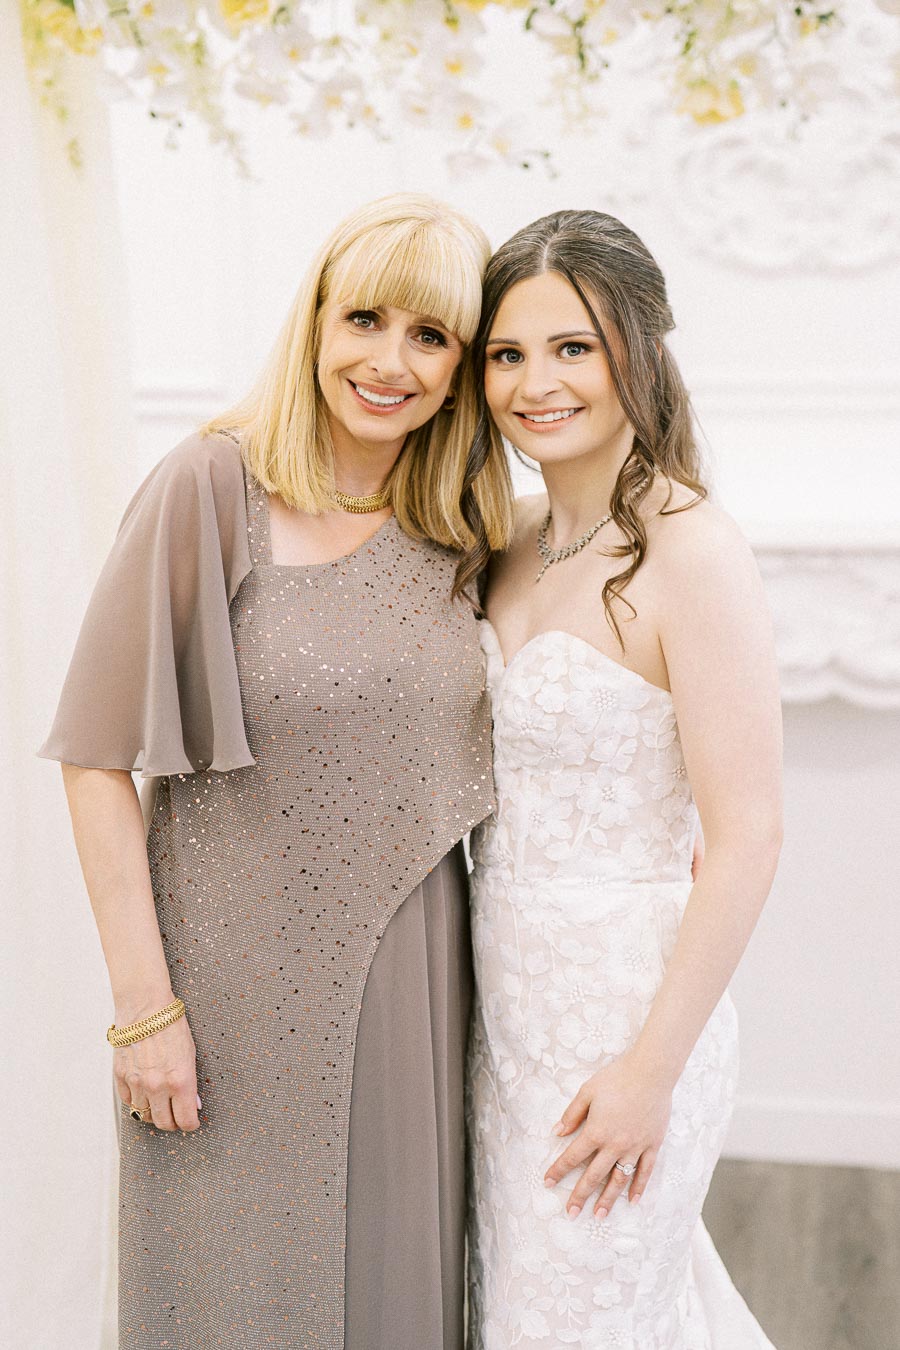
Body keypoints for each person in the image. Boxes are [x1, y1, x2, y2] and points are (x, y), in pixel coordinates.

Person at [39, 193, 512, 1350]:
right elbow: (96, 759)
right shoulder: (208, 487)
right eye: (365, 318)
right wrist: (142, 1010)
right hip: (221, 997)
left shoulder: (469, 529)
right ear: (313, 323)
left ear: (460, 370)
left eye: (431, 335)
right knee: (225, 1299)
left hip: (411, 978)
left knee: (393, 1295)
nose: (388, 360)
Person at [465, 209, 783, 1346]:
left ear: (637, 353)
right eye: (508, 354)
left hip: (624, 1016)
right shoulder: (506, 536)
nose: (534, 383)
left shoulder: (692, 548)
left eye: (572, 348)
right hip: (494, 1006)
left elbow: (747, 837)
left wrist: (652, 1070)